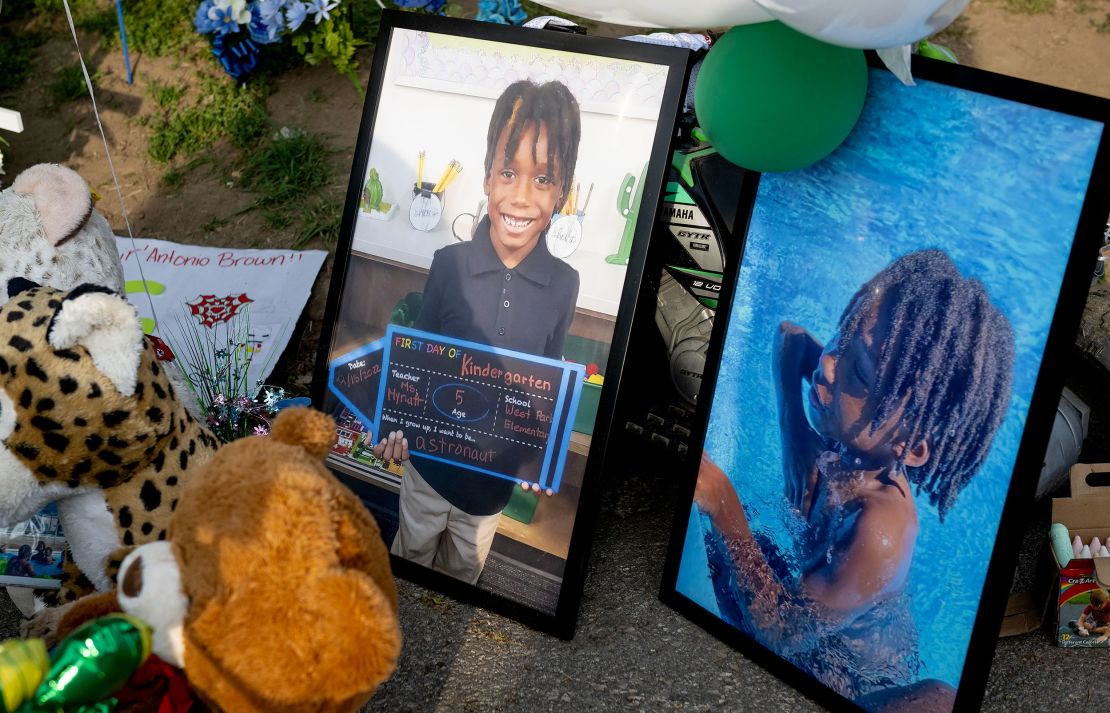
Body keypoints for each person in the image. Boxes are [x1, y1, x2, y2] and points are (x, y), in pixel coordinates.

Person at [694, 249, 1014, 699]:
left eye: (860, 373)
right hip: (817, 604)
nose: (828, 364)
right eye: (843, 334)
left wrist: (723, 502)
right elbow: (790, 339)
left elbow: (782, 632)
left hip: (849, 671)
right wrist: (794, 428)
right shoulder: (855, 433)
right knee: (721, 551)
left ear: (911, 446)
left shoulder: (881, 531)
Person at [376, 79, 582, 584]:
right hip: (428, 468)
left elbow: (549, 377)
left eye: (542, 179)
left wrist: (541, 454)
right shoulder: (449, 263)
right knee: (408, 559)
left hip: (494, 482)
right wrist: (395, 424)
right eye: (508, 172)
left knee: (465, 572)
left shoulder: (564, 283)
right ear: (488, 177)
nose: (519, 196)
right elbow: (418, 357)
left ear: (562, 191)